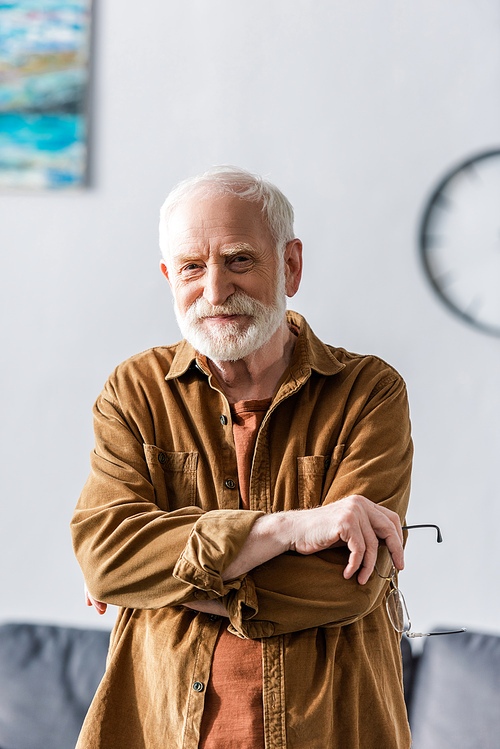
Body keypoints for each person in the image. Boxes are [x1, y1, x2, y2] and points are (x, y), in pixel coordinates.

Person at [71, 166, 413, 749]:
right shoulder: (135, 391)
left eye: (238, 260)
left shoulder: (368, 392)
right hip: (157, 732)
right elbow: (105, 556)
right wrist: (288, 529)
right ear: (168, 276)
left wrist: (162, 577)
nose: (214, 290)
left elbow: (350, 581)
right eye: (191, 267)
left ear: (291, 266)